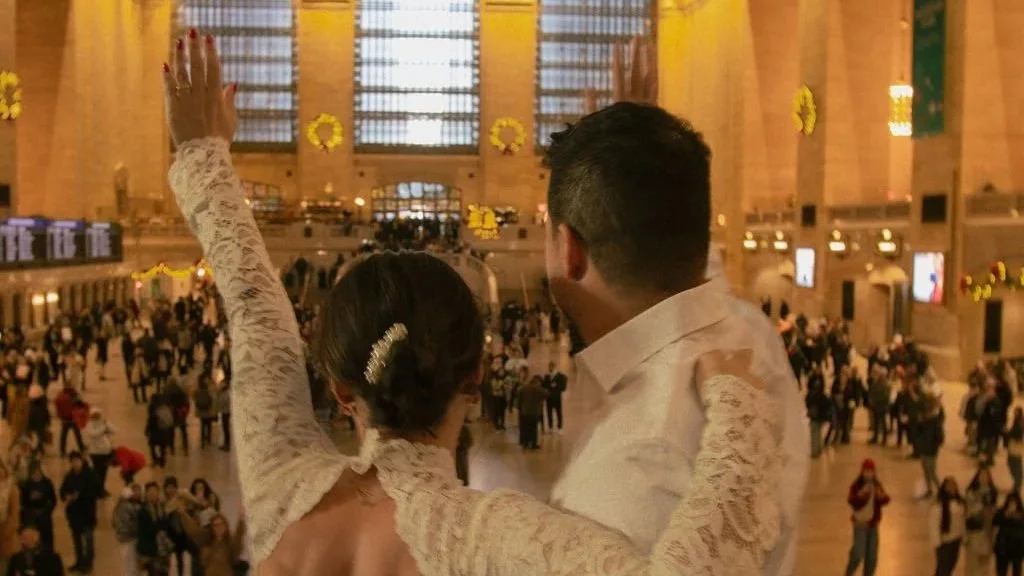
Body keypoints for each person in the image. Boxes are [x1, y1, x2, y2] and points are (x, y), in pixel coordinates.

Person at [164, 32, 784, 576]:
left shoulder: (280, 486)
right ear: (478, 376)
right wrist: (739, 413)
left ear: (337, 387)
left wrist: (203, 154)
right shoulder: (488, 537)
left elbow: (256, 311)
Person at [845, 459, 890, 576]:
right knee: (858, 553)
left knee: (872, 556)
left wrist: (881, 497)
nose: (869, 474)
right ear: (862, 472)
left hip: (873, 526)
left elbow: (886, 500)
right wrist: (862, 494)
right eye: (866, 471)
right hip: (860, 525)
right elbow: (852, 502)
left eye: (871, 471)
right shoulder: (856, 485)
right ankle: (849, 572)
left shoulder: (877, 485)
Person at [59, 452, 100, 573]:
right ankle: (79, 561)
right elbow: (62, 490)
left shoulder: (90, 475)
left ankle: (88, 564)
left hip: (87, 513)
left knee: (88, 540)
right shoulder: (69, 476)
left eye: (77, 461)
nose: (75, 464)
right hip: (74, 514)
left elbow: (97, 491)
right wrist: (66, 496)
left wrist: (80, 495)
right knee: (77, 540)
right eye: (73, 461)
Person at [964, 465, 998, 576]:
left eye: (986, 476)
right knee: (972, 564)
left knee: (985, 564)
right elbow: (968, 513)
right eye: (981, 476)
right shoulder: (971, 493)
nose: (984, 478)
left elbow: (994, 512)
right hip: (975, 532)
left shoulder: (992, 493)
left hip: (987, 532)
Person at [931, 476, 965, 576]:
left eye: (954, 485)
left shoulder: (960, 503)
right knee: (943, 570)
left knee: (949, 567)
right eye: (949, 486)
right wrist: (937, 543)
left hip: (956, 540)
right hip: (944, 542)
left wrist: (964, 536)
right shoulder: (938, 505)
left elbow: (962, 521)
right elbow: (934, 524)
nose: (952, 488)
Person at [18, 464, 55, 553]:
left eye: (38, 472)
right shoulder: (26, 485)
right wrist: (31, 499)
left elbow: (53, 499)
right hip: (31, 516)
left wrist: (47, 509)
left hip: (44, 514)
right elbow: (23, 501)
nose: (36, 475)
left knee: (46, 538)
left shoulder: (47, 483)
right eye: (34, 473)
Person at [82, 409, 114, 498]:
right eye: (95, 415)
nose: (96, 417)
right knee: (97, 472)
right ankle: (97, 490)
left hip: (106, 452)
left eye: (98, 415)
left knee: (104, 472)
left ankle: (102, 488)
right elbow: (94, 434)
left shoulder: (102, 423)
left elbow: (114, 430)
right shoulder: (89, 425)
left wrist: (106, 423)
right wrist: (103, 427)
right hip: (96, 453)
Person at [113, 484, 143, 576]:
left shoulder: (122, 506)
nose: (138, 493)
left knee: (132, 566)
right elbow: (128, 524)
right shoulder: (127, 506)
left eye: (139, 491)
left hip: (127, 538)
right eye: (135, 491)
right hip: (128, 539)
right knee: (131, 567)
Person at [995, 492, 1024, 576]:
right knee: (1001, 571)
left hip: (1017, 547)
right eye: (1010, 501)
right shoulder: (1001, 511)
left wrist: (1018, 518)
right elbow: (995, 521)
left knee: (1017, 571)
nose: (1012, 503)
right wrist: (1005, 515)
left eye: (1014, 501)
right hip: (1003, 546)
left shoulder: (1022, 513)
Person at [516, 375, 546, 450]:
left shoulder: (524, 388)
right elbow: (547, 394)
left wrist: (520, 407)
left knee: (526, 428)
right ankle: (533, 445)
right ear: (537, 382)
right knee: (534, 429)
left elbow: (518, 396)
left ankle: (525, 444)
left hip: (525, 411)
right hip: (535, 412)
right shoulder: (538, 388)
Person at [0, 464, 19, 575]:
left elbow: (14, 513)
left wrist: (9, 531)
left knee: (5, 563)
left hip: (5, 530)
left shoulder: (11, 489)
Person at [540, 362, 566, 433]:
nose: (550, 368)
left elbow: (563, 387)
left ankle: (560, 427)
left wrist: (556, 386)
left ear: (555, 367)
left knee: (558, 412)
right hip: (549, 397)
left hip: (557, 397)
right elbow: (544, 386)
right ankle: (550, 427)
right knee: (549, 413)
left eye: (551, 367)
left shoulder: (561, 376)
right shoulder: (547, 376)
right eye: (549, 367)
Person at [1006, 407, 1023, 494]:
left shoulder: (1020, 423)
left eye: (1016, 413)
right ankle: (1016, 485)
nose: (1015, 414)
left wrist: (1008, 433)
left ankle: (1017, 485)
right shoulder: (1017, 422)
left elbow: (1017, 435)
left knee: (1015, 467)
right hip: (1013, 448)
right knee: (1012, 465)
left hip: (1016, 450)